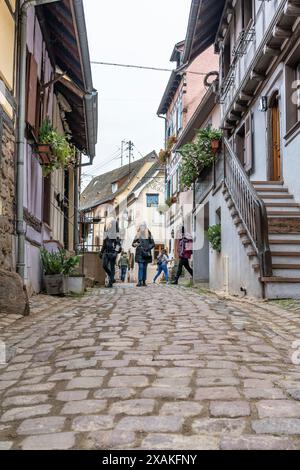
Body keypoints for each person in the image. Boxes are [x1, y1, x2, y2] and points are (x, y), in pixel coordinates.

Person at [99, 219, 122, 288]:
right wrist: (101, 251)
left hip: (112, 253)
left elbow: (118, 244)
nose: (111, 225)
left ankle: (110, 282)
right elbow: (104, 243)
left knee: (112, 267)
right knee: (104, 265)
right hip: (106, 252)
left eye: (112, 224)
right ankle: (111, 277)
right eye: (111, 224)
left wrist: (115, 252)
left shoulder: (117, 234)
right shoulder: (107, 232)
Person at [132, 222, 155, 287]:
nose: (142, 227)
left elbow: (153, 244)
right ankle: (139, 281)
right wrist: (135, 244)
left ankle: (144, 281)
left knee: (144, 268)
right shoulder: (137, 234)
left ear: (145, 227)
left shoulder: (149, 234)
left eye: (143, 226)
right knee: (141, 267)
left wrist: (147, 248)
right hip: (139, 253)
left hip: (146, 254)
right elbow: (133, 244)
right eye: (141, 226)